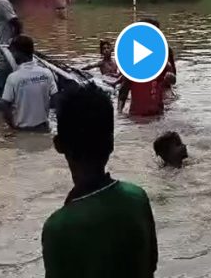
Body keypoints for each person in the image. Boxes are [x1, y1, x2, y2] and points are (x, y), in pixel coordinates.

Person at [42, 83, 158, 278]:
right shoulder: (137, 199)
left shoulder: (58, 227)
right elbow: (150, 266)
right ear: (112, 143)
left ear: (58, 145)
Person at [0, 35, 58, 131]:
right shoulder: (47, 73)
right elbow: (56, 100)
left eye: (13, 52)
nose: (13, 55)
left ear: (18, 53)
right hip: (43, 128)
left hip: (23, 131)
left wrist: (12, 127)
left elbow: (5, 106)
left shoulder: (13, 78)